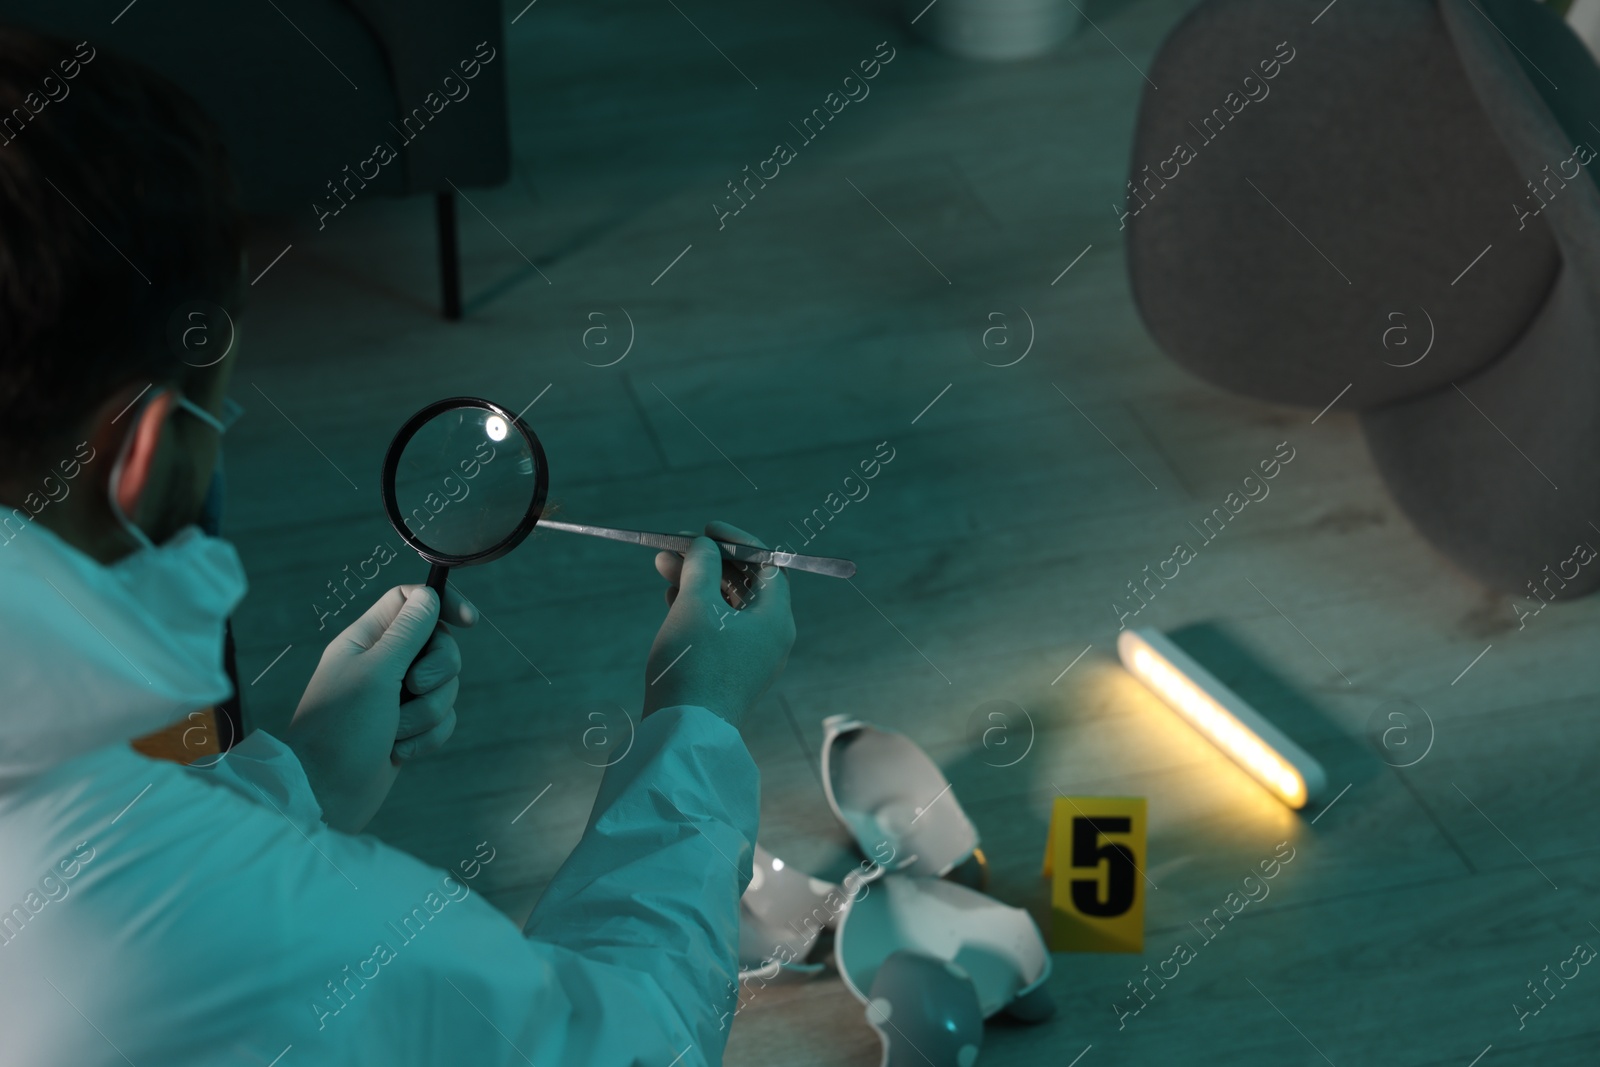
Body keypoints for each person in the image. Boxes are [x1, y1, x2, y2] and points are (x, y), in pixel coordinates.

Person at [0, 26, 795, 1066]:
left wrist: (299, 778)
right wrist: (699, 714)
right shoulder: (262, 927)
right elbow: (633, 1044)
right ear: (143, 446)